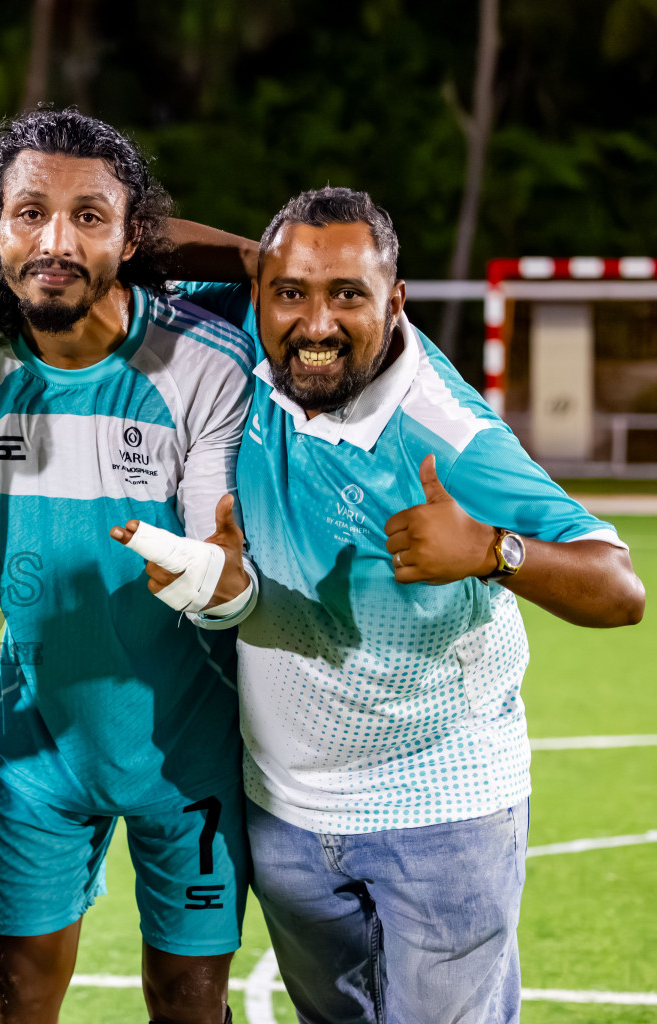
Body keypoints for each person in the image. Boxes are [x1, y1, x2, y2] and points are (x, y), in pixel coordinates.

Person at [179, 187, 646, 1023]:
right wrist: (254, 258)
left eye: (347, 295)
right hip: (284, 810)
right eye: (292, 292)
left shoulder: (448, 433)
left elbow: (620, 588)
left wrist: (493, 551)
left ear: (395, 301)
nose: (316, 324)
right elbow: (130, 243)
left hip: (443, 815)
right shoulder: (253, 331)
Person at [0, 109, 256, 1024]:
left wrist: (215, 581)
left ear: (134, 238)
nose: (56, 241)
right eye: (30, 213)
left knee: (190, 1000)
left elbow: (218, 565)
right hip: (37, 747)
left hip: (189, 749)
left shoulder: (204, 361)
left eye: (89, 216)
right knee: (18, 995)